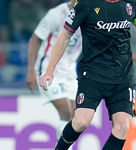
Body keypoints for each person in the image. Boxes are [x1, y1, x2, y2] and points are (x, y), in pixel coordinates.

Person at [39, 0, 136, 149]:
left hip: (123, 75)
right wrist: (50, 69)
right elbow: (65, 35)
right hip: (92, 73)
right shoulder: (86, 4)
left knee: (122, 127)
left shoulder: (131, 3)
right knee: (81, 122)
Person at [26, 0, 82, 140]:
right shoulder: (56, 14)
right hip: (48, 70)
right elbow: (35, 39)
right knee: (65, 110)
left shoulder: (89, 16)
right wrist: (31, 71)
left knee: (76, 116)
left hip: (70, 73)